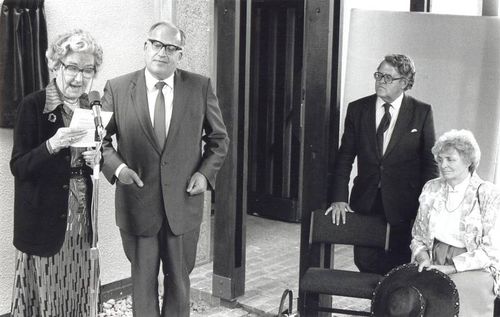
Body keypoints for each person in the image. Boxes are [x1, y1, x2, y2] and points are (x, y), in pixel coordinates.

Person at [101, 21, 229, 316]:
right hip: (137, 203)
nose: (163, 52)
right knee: (142, 286)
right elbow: (101, 141)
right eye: (157, 45)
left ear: (180, 55)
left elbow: (219, 139)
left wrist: (205, 173)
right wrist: (118, 169)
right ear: (145, 47)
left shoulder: (200, 87)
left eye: (172, 48)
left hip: (183, 205)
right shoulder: (118, 88)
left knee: (179, 286)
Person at [10, 30, 103, 316]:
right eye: (72, 67)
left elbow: (94, 157)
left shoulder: (91, 106)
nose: (79, 78)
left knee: (77, 285)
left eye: (88, 70)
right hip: (44, 217)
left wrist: (95, 158)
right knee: (48, 289)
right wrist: (52, 144)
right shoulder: (33, 105)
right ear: (56, 65)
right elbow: (19, 166)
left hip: (81, 217)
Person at [326, 54, 438, 275]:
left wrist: (428, 205)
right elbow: (345, 156)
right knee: (365, 262)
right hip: (366, 201)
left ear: (404, 83)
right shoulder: (358, 109)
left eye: (388, 77)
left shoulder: (421, 112)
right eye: (378, 75)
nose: (380, 81)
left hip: (404, 205)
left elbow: (429, 163)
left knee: (398, 266)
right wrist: (339, 197)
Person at [411, 129, 500, 317]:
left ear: (468, 161)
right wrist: (423, 259)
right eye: (440, 159)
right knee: (407, 295)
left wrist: (451, 268)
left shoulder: (488, 193)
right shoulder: (431, 188)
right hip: (434, 258)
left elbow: (492, 250)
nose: (443, 165)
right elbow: (418, 236)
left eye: (450, 159)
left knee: (449, 295)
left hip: (475, 266)